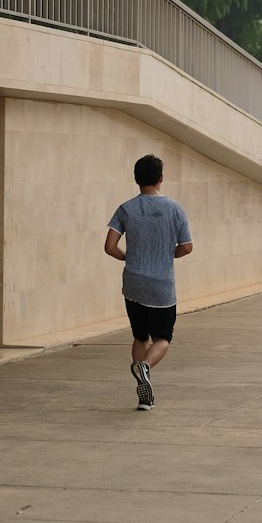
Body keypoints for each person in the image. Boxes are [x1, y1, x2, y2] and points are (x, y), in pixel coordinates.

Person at [105, 154, 193, 411]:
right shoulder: (175, 208)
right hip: (161, 285)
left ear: (136, 179)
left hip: (133, 283)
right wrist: (167, 255)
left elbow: (110, 247)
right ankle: (145, 366)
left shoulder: (126, 208)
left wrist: (129, 258)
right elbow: (187, 247)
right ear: (161, 179)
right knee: (163, 337)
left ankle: (144, 395)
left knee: (140, 337)